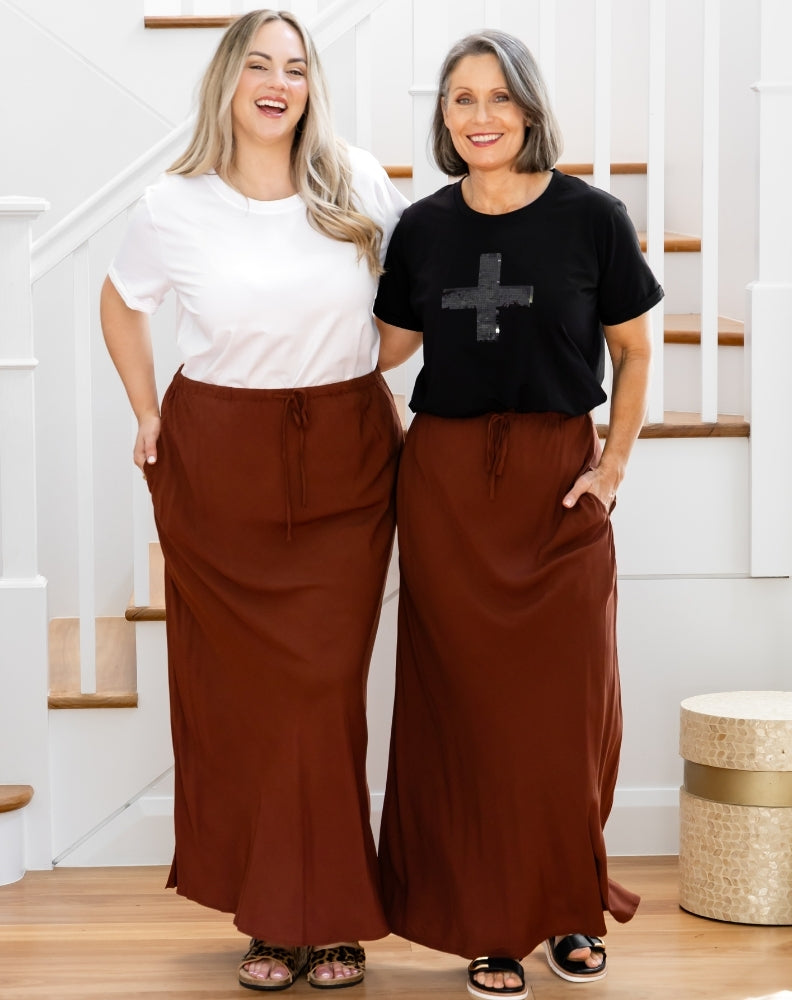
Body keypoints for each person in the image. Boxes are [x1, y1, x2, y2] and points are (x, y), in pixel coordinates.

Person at [100, 9, 407, 992]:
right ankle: (277, 919)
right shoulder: (171, 203)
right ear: (229, 79)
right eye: (260, 66)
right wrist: (146, 410)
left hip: (347, 465)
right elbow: (120, 300)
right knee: (245, 705)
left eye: (297, 67)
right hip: (220, 463)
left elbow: (409, 300)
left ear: (311, 85)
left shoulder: (356, 178)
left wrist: (372, 376)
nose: (279, 83)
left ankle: (324, 911)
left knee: (321, 696)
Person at [374, 29, 663, 1000]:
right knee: (466, 717)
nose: (482, 115)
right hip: (449, 483)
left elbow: (634, 351)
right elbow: (380, 349)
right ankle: (487, 921)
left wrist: (612, 464)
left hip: (555, 477)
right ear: (444, 118)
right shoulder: (420, 227)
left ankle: (567, 905)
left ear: (532, 110)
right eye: (461, 99)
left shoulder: (593, 219)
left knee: (566, 710)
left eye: (499, 97)